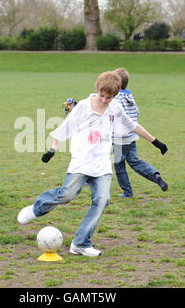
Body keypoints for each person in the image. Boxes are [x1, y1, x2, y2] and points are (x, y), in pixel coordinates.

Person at [18, 71, 168, 257]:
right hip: (82, 161)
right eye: (102, 95)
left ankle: (80, 243)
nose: (105, 100)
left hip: (102, 164)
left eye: (109, 97)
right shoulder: (83, 106)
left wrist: (155, 141)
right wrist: (52, 149)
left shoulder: (115, 107)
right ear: (97, 89)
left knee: (102, 200)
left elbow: (132, 125)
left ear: (116, 95)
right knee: (67, 195)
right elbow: (66, 126)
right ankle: (36, 209)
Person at [112, 68, 168, 198]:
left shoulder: (116, 100)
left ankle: (127, 192)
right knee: (135, 161)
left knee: (119, 166)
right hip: (132, 137)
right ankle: (155, 176)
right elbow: (136, 114)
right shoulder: (129, 96)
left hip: (119, 139)